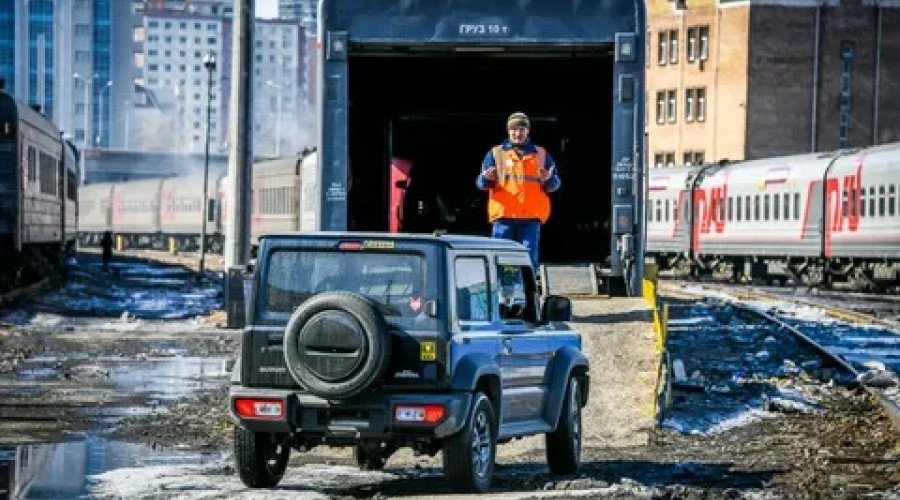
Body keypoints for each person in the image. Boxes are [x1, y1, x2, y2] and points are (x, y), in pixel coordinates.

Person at [476, 112, 560, 269]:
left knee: (527, 261)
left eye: (522, 129)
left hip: (530, 218)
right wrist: (487, 178)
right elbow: (481, 184)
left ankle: (528, 292)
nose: (518, 133)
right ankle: (503, 292)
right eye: (514, 129)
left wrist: (549, 179)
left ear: (528, 131)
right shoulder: (496, 153)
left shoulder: (541, 154)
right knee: (501, 260)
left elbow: (554, 185)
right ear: (508, 131)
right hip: (503, 218)